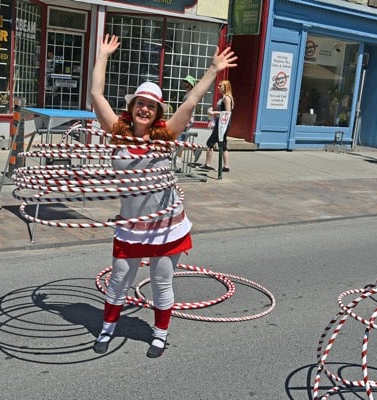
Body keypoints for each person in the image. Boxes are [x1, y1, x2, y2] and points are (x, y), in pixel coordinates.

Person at [90, 33, 237, 357]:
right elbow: (96, 93)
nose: (144, 109)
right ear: (132, 106)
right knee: (119, 279)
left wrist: (213, 70)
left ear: (157, 112)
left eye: (151, 106)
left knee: (161, 281)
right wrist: (102, 56)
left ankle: (159, 334)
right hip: (132, 224)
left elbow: (190, 103)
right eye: (140, 103)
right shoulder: (117, 133)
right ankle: (107, 328)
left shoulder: (166, 136)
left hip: (166, 224)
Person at [199, 80, 234, 172]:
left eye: (220, 86)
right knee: (223, 144)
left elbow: (227, 112)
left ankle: (208, 164)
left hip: (223, 124)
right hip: (221, 123)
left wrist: (213, 112)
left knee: (210, 143)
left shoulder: (227, 98)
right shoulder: (222, 98)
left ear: (225, 87)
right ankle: (226, 166)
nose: (218, 87)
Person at [174, 75, 197, 172]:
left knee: (180, 139)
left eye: (186, 82)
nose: (184, 83)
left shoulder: (190, 95)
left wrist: (184, 119)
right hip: (185, 119)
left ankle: (178, 158)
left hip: (186, 120)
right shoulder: (188, 94)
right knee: (180, 139)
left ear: (191, 84)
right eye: (184, 81)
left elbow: (189, 108)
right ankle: (193, 149)